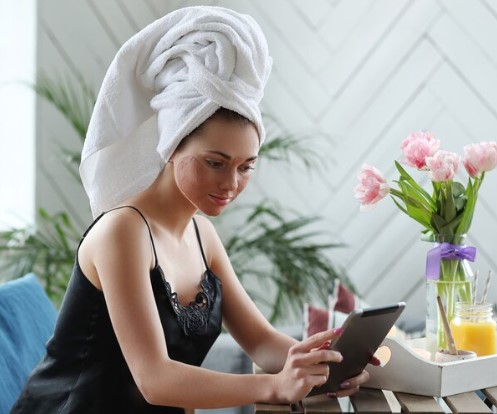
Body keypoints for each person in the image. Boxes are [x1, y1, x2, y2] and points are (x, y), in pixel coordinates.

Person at [10, 6, 373, 414]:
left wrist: (330, 364)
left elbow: (261, 341)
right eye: (215, 163)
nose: (231, 184)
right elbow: (155, 379)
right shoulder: (123, 232)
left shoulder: (203, 236)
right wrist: (272, 387)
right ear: (171, 147)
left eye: (246, 166)